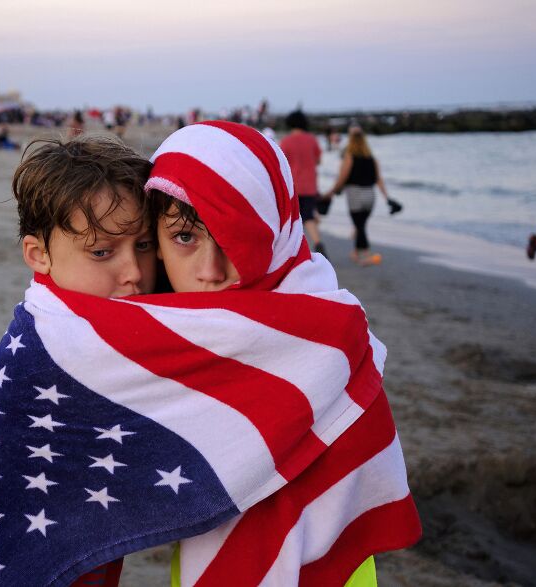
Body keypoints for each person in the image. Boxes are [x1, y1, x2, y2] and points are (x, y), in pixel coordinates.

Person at [146, 121, 420, 585]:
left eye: (236, 237)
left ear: (274, 230)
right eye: (184, 238)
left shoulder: (333, 335)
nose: (210, 271)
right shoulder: (146, 338)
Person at [0, 136, 155, 586]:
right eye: (102, 252)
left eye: (145, 245)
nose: (134, 272)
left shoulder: (123, 323)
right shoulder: (44, 351)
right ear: (38, 255)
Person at [326, 126, 393, 266]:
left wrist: (330, 193)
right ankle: (357, 252)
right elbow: (378, 179)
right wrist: (387, 198)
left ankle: (366, 255)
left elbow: (342, 178)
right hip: (370, 194)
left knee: (359, 226)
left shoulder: (349, 157)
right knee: (360, 225)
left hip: (355, 194)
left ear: (351, 141)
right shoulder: (372, 159)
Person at [279, 109, 326, 257]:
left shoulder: (286, 142)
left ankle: (296, 249)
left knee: (293, 219)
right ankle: (317, 243)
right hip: (310, 186)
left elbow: (280, 164)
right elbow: (318, 160)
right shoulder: (312, 139)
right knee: (308, 216)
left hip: (293, 186)